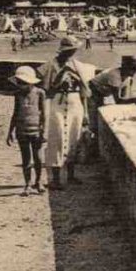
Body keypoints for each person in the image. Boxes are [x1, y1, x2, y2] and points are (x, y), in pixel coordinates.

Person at [38, 36, 93, 189]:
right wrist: (61, 76)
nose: (72, 53)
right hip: (57, 101)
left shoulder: (78, 66)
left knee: (74, 137)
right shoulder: (50, 66)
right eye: (70, 50)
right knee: (56, 137)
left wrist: (86, 113)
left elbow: (85, 92)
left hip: (75, 101)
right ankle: (55, 179)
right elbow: (47, 90)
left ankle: (71, 175)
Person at [6, 66, 47, 195]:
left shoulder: (40, 93)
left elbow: (44, 113)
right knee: (26, 158)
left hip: (36, 130)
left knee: (38, 158)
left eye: (23, 83)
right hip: (21, 129)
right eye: (19, 82)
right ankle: (27, 183)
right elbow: (15, 112)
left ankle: (38, 181)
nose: (21, 85)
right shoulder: (17, 94)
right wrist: (10, 131)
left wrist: (43, 130)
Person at [88, 55, 136, 132]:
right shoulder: (114, 75)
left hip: (103, 93)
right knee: (94, 121)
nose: (135, 71)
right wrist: (135, 99)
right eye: (133, 68)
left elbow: (124, 98)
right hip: (92, 91)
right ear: (124, 67)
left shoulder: (128, 79)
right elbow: (118, 101)